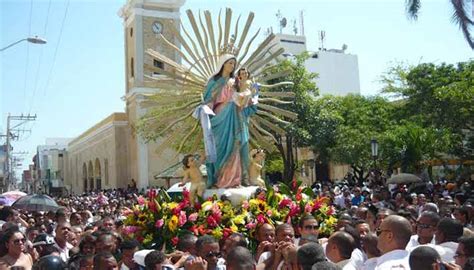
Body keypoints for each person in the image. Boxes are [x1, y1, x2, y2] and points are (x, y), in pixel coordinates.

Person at [200, 54, 257, 189]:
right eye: (229, 63)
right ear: (223, 64)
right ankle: (216, 179)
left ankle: (233, 180)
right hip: (219, 116)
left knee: (234, 146)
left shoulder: (235, 82)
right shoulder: (214, 81)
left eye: (233, 63)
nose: (232, 66)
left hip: (234, 116)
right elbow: (208, 100)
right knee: (218, 147)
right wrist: (205, 112)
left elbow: (242, 99)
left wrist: (249, 96)